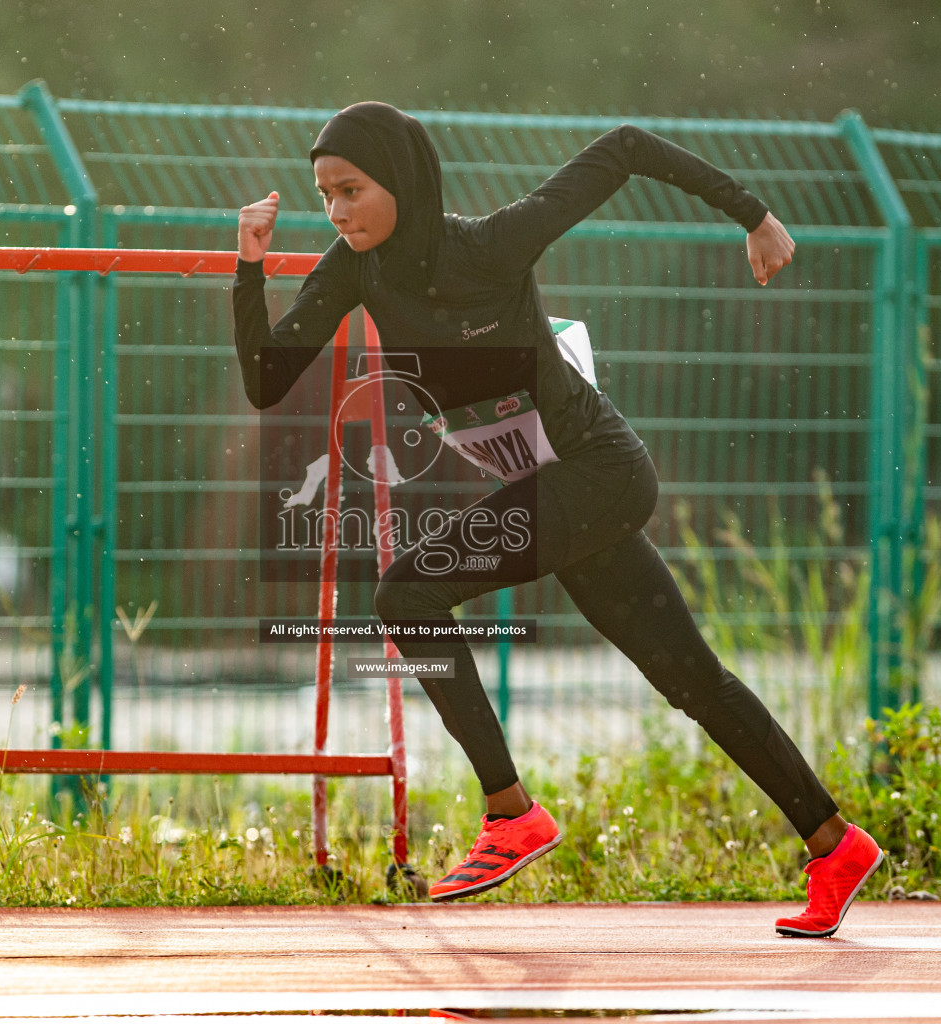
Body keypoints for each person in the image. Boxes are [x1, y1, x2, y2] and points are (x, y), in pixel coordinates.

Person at [232, 101, 883, 937]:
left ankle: (510, 814)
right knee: (691, 680)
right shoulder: (358, 269)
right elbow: (265, 378)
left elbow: (625, 146)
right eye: (325, 196)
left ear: (401, 180)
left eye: (352, 190)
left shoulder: (493, 244)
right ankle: (835, 844)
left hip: (599, 474)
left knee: (406, 594)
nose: (338, 212)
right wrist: (248, 267)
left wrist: (752, 213)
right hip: (559, 491)